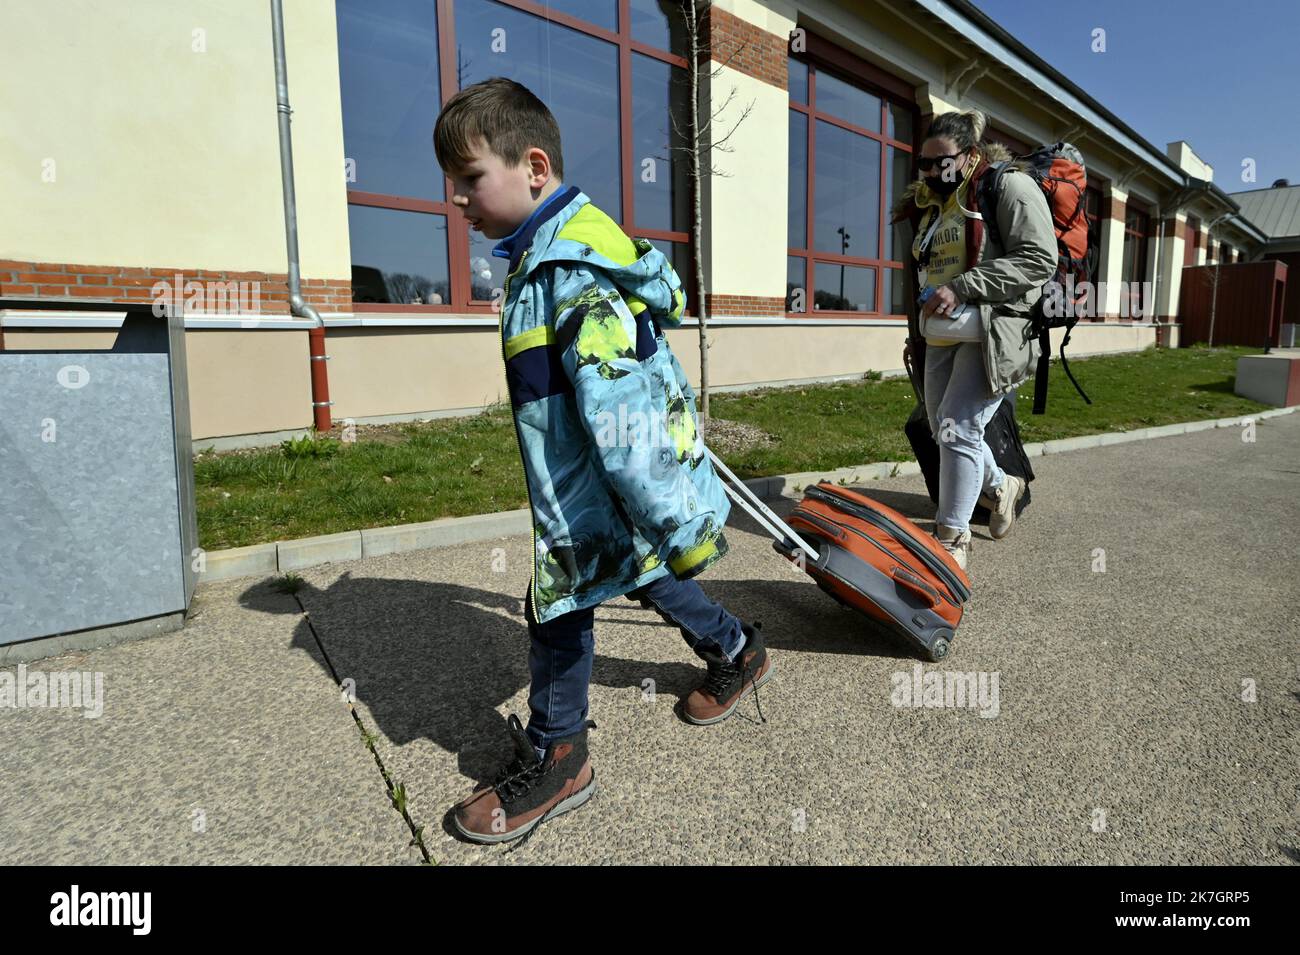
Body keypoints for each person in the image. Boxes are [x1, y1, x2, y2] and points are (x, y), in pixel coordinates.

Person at [432, 77, 772, 844]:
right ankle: (737, 648)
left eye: (470, 179)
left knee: (556, 609)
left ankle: (561, 755)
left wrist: (672, 517)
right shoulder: (539, 261)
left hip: (595, 492)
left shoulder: (571, 273)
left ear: (535, 167)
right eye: (454, 184)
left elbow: (623, 417)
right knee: (643, 573)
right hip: (595, 489)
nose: (458, 199)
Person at [891, 109, 1056, 571]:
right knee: (944, 427)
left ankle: (952, 543)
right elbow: (929, 270)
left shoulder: (1008, 187)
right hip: (943, 331)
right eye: (923, 162)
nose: (930, 171)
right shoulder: (932, 206)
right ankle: (1003, 486)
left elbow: (1039, 259)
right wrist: (921, 324)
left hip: (994, 327)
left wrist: (962, 288)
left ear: (970, 156)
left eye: (941, 161)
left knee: (960, 426)